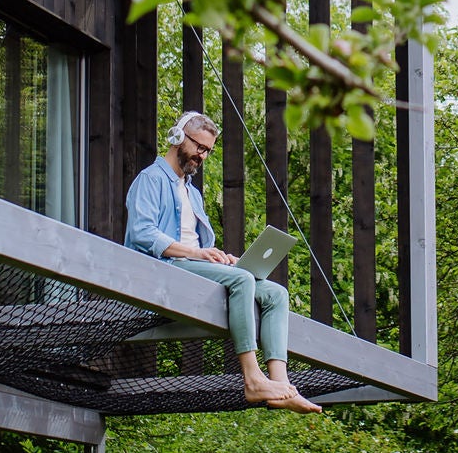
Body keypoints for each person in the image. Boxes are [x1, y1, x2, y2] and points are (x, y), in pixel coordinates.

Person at [124, 111, 322, 413]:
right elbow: (141, 233)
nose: (202, 156)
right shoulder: (150, 179)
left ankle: (280, 384)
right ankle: (252, 378)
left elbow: (198, 245)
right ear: (178, 138)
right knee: (242, 280)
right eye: (199, 147)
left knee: (275, 294)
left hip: (192, 267)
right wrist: (198, 254)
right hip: (163, 271)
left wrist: (218, 256)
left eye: (207, 151)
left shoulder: (192, 193)